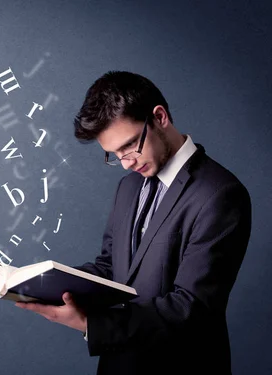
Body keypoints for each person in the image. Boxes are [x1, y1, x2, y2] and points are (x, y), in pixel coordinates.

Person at [15, 71, 252, 375]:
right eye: (113, 154)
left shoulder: (220, 194)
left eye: (129, 146)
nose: (126, 162)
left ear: (160, 117)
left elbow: (192, 307)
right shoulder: (128, 187)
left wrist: (92, 325)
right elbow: (111, 268)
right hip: (119, 364)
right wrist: (47, 283)